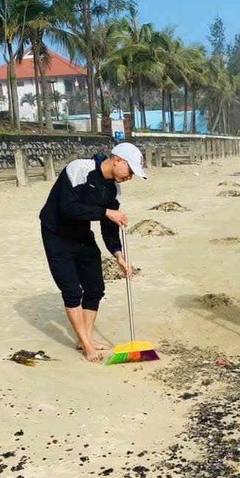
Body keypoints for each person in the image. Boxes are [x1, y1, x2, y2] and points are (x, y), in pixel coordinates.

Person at [39, 142, 147, 363]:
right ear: (118, 160)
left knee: (95, 287)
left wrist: (118, 255)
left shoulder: (114, 189)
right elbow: (68, 208)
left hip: (81, 234)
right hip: (56, 234)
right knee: (72, 291)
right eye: (130, 171)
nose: (130, 177)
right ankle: (87, 344)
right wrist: (106, 212)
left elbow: (109, 226)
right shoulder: (79, 169)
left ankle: (84, 337)